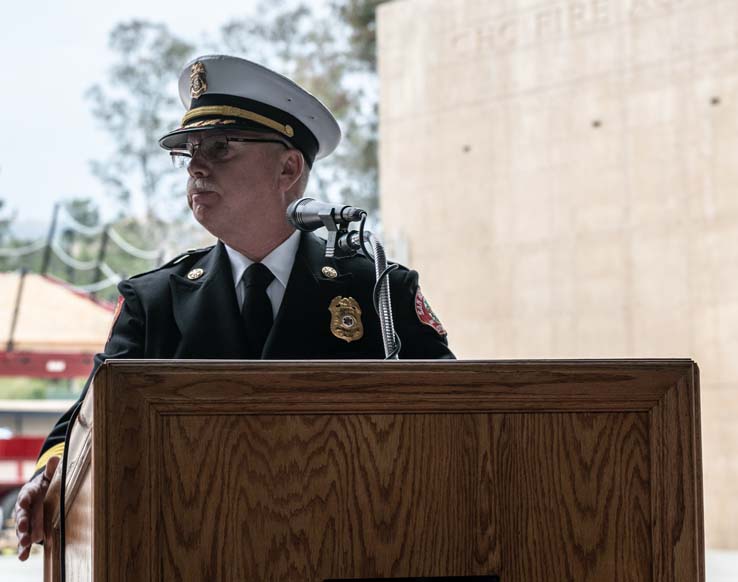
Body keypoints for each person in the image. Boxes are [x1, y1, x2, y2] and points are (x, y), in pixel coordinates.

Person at [15, 54, 453, 560]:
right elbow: (86, 420)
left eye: (220, 148)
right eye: (189, 151)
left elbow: (450, 415)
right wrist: (47, 476)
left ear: (288, 167)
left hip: (351, 551)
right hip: (191, 554)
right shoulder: (155, 300)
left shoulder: (376, 286)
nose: (196, 166)